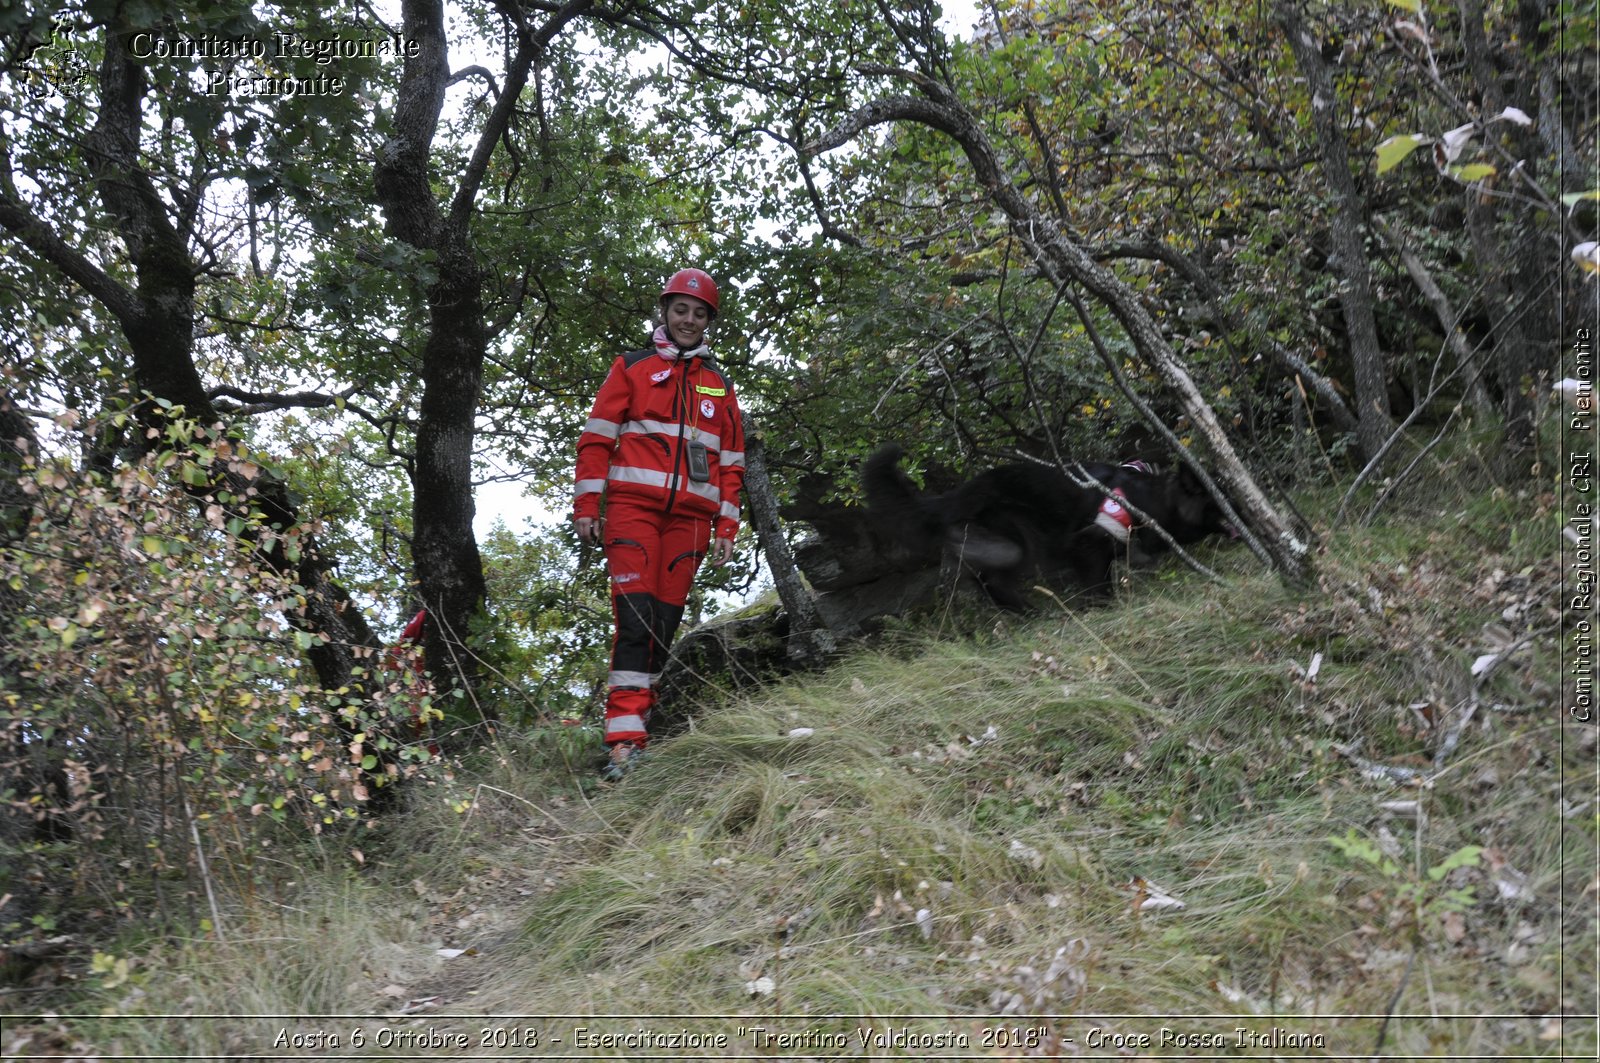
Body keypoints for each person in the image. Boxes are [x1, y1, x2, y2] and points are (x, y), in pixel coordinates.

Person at [573, 268, 746, 780]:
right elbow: (597, 440)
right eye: (680, 310)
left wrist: (727, 527)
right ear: (665, 312)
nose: (689, 319)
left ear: (708, 320)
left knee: (663, 628)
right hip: (633, 512)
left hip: (690, 525)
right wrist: (587, 507)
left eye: (699, 313)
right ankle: (623, 744)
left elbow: (731, 462)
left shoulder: (720, 385)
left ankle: (640, 725)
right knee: (636, 620)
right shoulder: (630, 367)